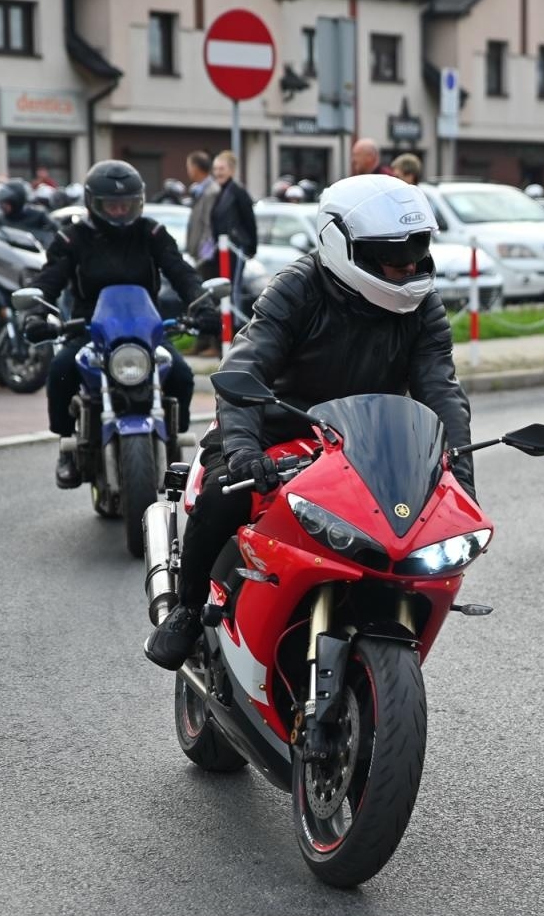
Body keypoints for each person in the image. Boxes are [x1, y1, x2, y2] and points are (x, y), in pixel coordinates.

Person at [144, 174, 475, 669]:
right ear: (342, 244)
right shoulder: (297, 288)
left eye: (417, 248)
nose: (408, 264)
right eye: (392, 253)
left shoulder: (422, 304)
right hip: (277, 430)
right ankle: (189, 609)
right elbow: (244, 367)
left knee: (403, 541)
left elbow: (441, 390)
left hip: (368, 444)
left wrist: (460, 476)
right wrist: (241, 449)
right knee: (221, 495)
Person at [18, 161, 211, 489]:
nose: (120, 211)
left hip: (145, 331)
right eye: (112, 205)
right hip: (89, 329)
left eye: (128, 204)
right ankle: (66, 445)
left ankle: (175, 443)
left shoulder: (152, 233)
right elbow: (49, 279)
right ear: (94, 204)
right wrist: (36, 314)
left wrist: (201, 303)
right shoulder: (71, 238)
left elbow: (181, 271)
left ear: (139, 202)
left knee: (180, 374)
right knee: (61, 370)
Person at [187, 151, 255, 356]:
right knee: (217, 295)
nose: (218, 172)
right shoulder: (217, 191)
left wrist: (250, 247)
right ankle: (217, 339)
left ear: (232, 170)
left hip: (234, 249)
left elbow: (248, 220)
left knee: (231, 293)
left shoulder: (238, 192)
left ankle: (233, 339)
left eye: (222, 169)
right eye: (215, 169)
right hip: (219, 252)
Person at [0, 179, 58, 246]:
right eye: (1, 203)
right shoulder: (1, 219)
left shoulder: (38, 215)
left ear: (15, 201)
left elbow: (55, 233)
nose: (2, 207)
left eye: (6, 203)